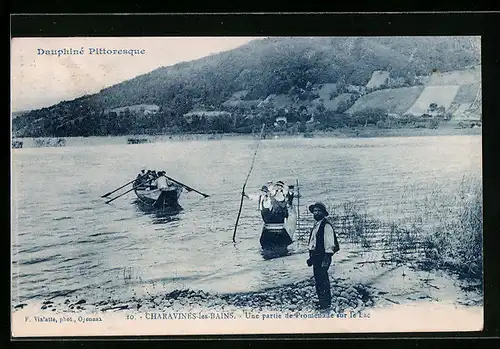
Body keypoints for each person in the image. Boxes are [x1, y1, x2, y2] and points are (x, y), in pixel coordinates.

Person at [306, 202, 340, 310]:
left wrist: (327, 258)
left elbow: (330, 244)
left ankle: (325, 304)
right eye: (315, 211)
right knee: (318, 280)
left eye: (318, 211)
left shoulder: (326, 226)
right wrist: (311, 258)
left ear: (323, 213)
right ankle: (322, 301)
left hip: (323, 257)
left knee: (323, 280)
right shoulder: (317, 225)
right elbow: (314, 242)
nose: (316, 213)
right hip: (316, 256)